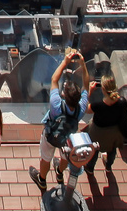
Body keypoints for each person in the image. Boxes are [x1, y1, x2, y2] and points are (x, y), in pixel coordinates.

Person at [30, 48, 90, 191]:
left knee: (46, 157)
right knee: (64, 156)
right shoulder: (80, 109)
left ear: (64, 95)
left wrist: (65, 62)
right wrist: (83, 65)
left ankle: (42, 180)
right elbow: (86, 86)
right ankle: (60, 172)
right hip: (67, 138)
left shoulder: (56, 104)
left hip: (50, 135)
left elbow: (54, 79)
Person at [85, 75, 127, 177]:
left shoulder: (98, 105)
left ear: (103, 89)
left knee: (94, 149)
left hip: (98, 132)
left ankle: (90, 168)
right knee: (112, 149)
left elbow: (85, 109)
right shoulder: (122, 102)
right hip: (114, 132)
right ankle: (108, 166)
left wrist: (89, 92)